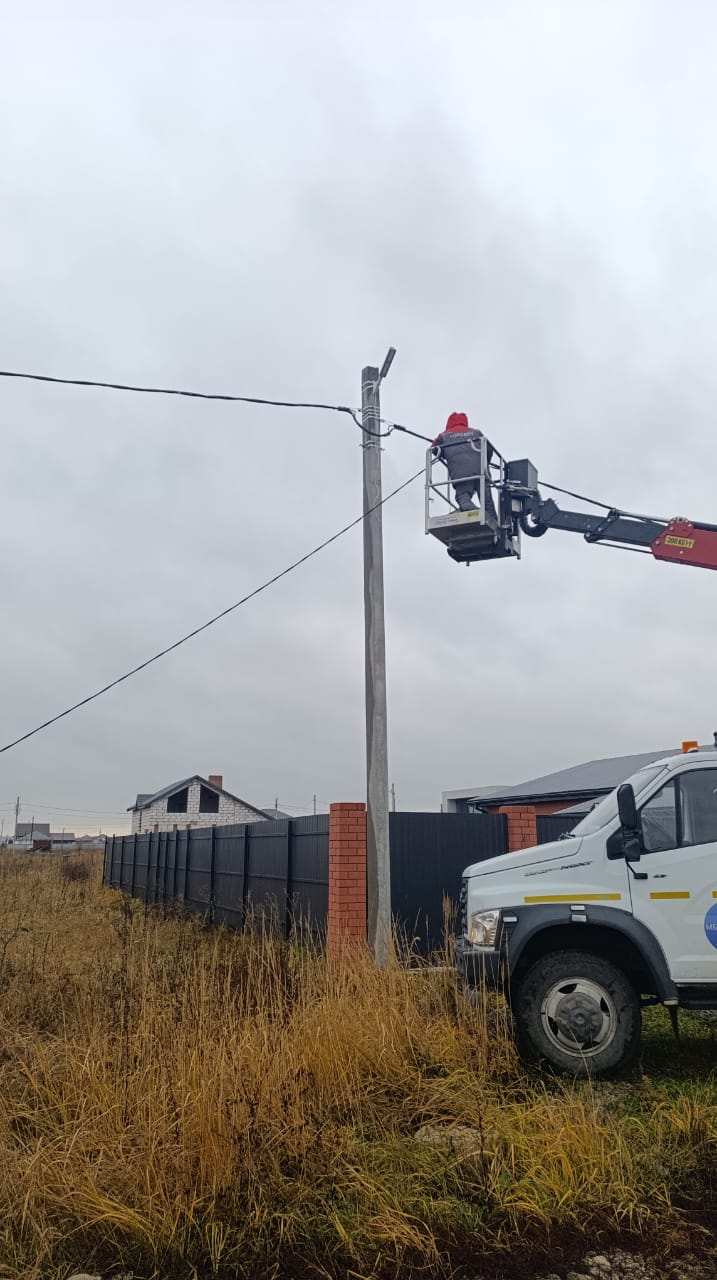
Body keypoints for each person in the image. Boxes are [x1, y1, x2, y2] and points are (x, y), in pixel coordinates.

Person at [432, 412, 498, 519]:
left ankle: (474, 512)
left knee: (462, 496)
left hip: (461, 474)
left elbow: (434, 449)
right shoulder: (476, 432)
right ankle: (497, 525)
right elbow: (489, 449)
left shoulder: (444, 435)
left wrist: (446, 454)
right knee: (487, 503)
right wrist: (486, 464)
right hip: (481, 472)